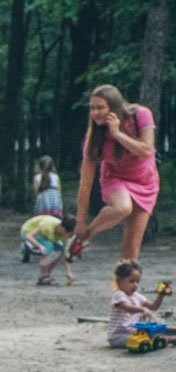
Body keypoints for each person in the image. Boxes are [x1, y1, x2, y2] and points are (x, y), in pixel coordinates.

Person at [72, 85, 159, 263]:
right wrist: (81, 221)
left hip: (146, 183)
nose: (95, 113)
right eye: (92, 108)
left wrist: (117, 134)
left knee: (131, 250)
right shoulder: (94, 139)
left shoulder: (140, 114)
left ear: (114, 107)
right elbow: (85, 183)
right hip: (115, 179)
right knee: (122, 207)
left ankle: (125, 290)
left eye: (100, 108)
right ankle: (88, 233)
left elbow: (146, 151)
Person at [108, 261, 169, 348]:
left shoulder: (136, 295)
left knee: (150, 334)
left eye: (138, 282)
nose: (135, 285)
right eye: (131, 281)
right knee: (145, 340)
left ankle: (167, 339)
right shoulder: (118, 295)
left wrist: (160, 296)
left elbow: (153, 307)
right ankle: (170, 339)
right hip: (118, 337)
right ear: (119, 281)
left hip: (133, 333)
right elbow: (127, 307)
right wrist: (142, 309)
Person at [20, 214, 78, 286]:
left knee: (60, 249)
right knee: (48, 245)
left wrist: (69, 272)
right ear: (64, 230)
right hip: (28, 232)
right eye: (70, 234)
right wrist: (40, 246)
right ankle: (43, 274)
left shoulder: (66, 235)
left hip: (46, 236)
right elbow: (29, 236)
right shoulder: (47, 225)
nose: (70, 237)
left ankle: (46, 275)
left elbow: (66, 254)